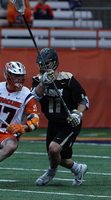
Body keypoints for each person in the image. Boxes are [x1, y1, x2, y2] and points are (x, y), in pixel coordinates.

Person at [31, 48, 89, 186]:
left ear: (55, 62)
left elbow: (84, 100)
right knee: (58, 158)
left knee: (53, 148)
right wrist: (43, 83)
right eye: (40, 63)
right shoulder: (38, 80)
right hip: (53, 123)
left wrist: (78, 113)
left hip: (69, 123)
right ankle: (78, 169)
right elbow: (33, 98)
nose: (42, 67)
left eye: (46, 63)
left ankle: (50, 174)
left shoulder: (67, 79)